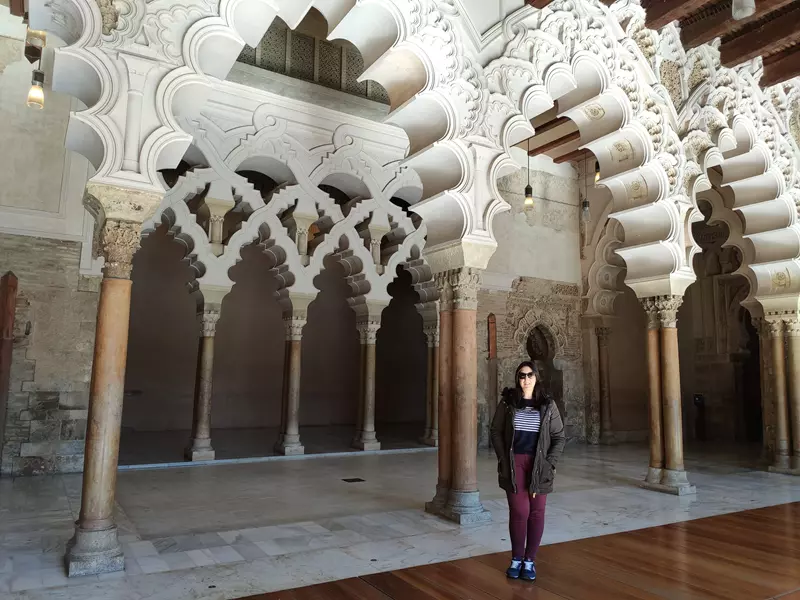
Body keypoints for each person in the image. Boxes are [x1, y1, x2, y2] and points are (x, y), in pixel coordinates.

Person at [490, 361, 566, 582]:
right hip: (514, 464)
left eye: (530, 375)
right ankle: (516, 558)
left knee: (536, 512)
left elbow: (559, 437)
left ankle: (529, 560)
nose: (526, 380)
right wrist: (503, 458)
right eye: (522, 376)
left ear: (536, 377)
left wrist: (549, 463)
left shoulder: (547, 405)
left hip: (538, 465)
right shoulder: (508, 402)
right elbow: (495, 431)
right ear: (517, 379)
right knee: (519, 511)